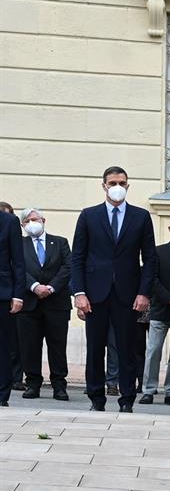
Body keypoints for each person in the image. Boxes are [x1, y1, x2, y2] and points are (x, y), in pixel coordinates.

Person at [71, 167, 156, 412]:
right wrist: (79, 293)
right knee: (95, 348)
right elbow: (78, 257)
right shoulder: (89, 215)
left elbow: (149, 258)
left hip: (128, 295)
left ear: (127, 186)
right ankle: (96, 398)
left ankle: (127, 399)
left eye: (122, 182)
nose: (117, 186)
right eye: (112, 182)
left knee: (127, 348)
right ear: (104, 186)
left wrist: (144, 293)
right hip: (95, 294)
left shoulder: (140, 217)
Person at [17, 209, 71, 401]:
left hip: (56, 303)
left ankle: (59, 385)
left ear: (43, 220)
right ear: (22, 225)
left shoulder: (60, 242)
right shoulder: (19, 244)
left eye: (35, 219)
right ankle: (32, 383)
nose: (32, 223)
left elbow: (67, 267)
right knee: (30, 346)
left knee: (57, 345)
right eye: (27, 221)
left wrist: (51, 287)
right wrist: (34, 286)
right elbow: (17, 267)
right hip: (29, 303)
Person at [140, 215, 170, 407]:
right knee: (154, 350)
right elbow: (153, 279)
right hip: (161, 309)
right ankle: (149, 390)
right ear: (169, 229)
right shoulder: (158, 252)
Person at [0, 206, 24, 407]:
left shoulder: (9, 221)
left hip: (3, 293)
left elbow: (18, 261)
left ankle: (1, 395)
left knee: (3, 346)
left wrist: (18, 295)